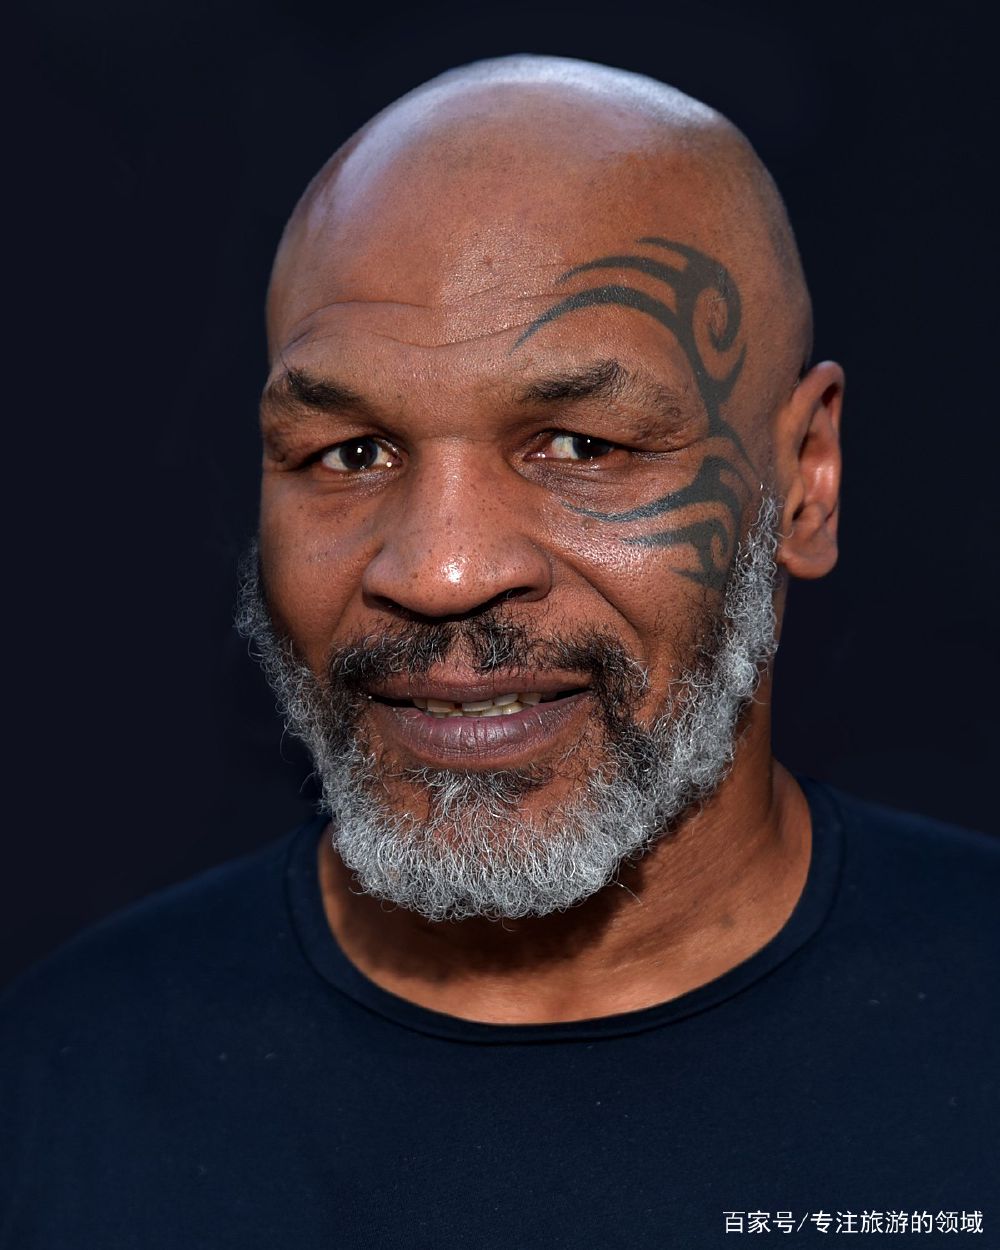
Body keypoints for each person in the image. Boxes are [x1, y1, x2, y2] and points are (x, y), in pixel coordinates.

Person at [1, 54, 996, 1248]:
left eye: (579, 444)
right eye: (351, 453)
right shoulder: (57, 1093)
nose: (441, 572)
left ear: (806, 481)